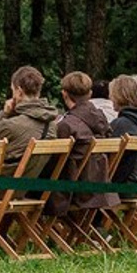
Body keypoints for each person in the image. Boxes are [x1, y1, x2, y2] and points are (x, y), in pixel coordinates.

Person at [48, 71, 116, 216]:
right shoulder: (102, 120)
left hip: (74, 193)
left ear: (64, 94)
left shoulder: (66, 126)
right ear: (90, 94)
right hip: (101, 186)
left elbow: (53, 162)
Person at [0, 65, 59, 169]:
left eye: (12, 90)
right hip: (32, 179)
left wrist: (4, 114)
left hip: (3, 180)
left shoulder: (10, 125)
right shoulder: (51, 125)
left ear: (19, 92)